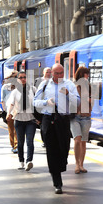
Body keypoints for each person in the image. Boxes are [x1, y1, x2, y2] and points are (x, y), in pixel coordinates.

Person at [34, 63, 79, 194]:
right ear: (52, 73)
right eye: (57, 73)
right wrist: (45, 103)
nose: (59, 76)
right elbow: (34, 102)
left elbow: (77, 101)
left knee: (63, 148)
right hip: (48, 119)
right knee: (51, 150)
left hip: (63, 119)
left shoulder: (69, 84)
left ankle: (60, 166)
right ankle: (57, 181)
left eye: (61, 73)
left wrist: (67, 94)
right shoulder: (45, 85)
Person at [7, 71, 37, 171]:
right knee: (20, 142)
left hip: (30, 119)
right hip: (19, 119)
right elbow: (11, 104)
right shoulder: (15, 92)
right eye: (21, 78)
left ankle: (29, 161)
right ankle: (21, 161)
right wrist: (8, 113)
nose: (23, 79)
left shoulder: (33, 89)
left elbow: (38, 101)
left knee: (29, 141)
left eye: (24, 77)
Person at [70, 67, 92, 174]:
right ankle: (77, 164)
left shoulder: (89, 87)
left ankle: (82, 165)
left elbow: (91, 101)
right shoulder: (73, 87)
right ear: (81, 75)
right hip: (75, 117)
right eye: (85, 74)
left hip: (86, 117)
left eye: (87, 74)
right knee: (77, 139)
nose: (87, 76)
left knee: (83, 141)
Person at [1, 71, 18, 154]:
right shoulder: (4, 87)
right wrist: (5, 111)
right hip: (9, 111)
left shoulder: (19, 87)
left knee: (17, 129)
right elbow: (2, 99)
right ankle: (13, 145)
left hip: (18, 111)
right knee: (11, 130)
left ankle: (16, 146)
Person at [35, 67, 52, 147]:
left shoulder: (53, 82)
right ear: (43, 72)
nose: (48, 73)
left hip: (48, 107)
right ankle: (44, 140)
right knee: (42, 124)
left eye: (49, 72)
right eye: (47, 72)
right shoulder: (38, 81)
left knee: (45, 125)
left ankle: (47, 140)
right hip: (40, 106)